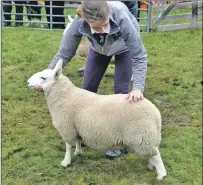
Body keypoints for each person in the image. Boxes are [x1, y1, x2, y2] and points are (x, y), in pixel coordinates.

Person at [39, 1, 148, 158]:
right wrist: (46, 76)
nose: (103, 30)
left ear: (108, 15)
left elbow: (139, 55)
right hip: (98, 49)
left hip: (124, 48)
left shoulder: (121, 17)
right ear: (84, 18)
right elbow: (64, 53)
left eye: (105, 24)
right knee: (86, 91)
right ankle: (86, 134)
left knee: (121, 94)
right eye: (96, 28)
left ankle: (120, 141)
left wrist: (138, 88)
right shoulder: (78, 22)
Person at [76, 0, 141, 72]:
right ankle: (91, 65)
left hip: (125, 7)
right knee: (99, 33)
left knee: (128, 40)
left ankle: (130, 69)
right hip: (104, 10)